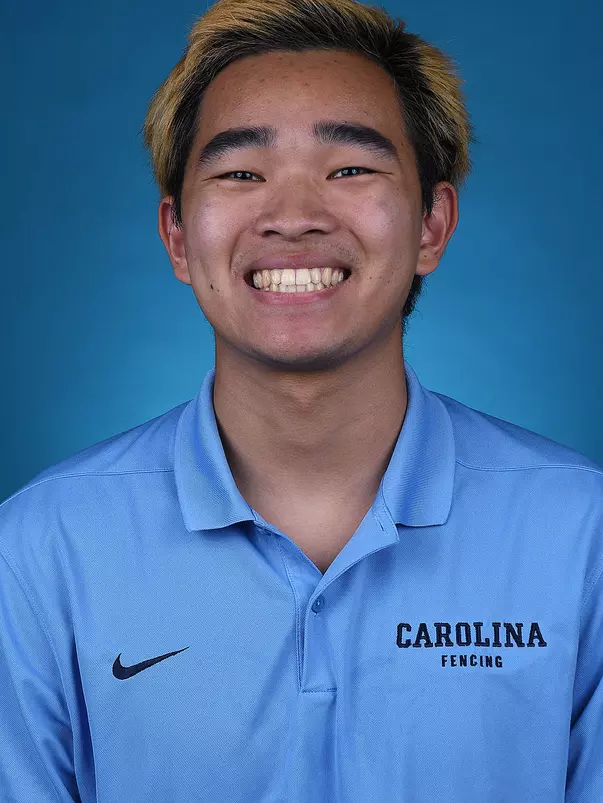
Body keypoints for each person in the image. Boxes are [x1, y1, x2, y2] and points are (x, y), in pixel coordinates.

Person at [1, 0, 602, 800]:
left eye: (349, 168)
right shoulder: (41, 548)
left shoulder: (581, 534)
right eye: (240, 172)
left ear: (432, 222)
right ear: (178, 237)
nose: (291, 217)